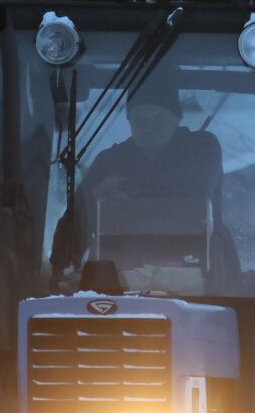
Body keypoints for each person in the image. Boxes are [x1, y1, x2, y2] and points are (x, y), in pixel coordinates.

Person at [51, 74, 226, 288]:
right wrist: (58, 273)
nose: (149, 127)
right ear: (129, 120)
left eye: (159, 118)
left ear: (176, 118)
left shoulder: (202, 148)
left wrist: (122, 188)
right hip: (120, 279)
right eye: (140, 119)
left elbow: (194, 190)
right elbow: (75, 220)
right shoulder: (109, 160)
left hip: (201, 273)